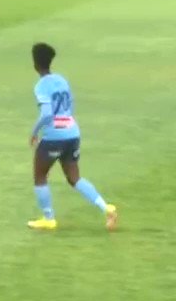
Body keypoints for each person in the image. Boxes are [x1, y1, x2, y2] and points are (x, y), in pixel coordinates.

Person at [27, 43, 118, 232]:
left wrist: (35, 132)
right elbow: (70, 106)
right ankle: (106, 208)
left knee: (40, 175)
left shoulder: (41, 85)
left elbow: (46, 114)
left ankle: (48, 218)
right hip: (72, 132)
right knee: (74, 178)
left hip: (54, 136)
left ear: (35, 64)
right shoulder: (61, 80)